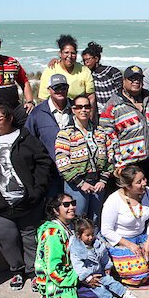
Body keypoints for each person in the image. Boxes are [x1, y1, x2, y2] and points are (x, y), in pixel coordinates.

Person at [0, 103, 52, 290]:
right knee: (6, 239)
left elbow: (43, 163)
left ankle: (33, 272)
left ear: (9, 118)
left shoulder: (25, 138)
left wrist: (37, 191)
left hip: (28, 202)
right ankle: (17, 270)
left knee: (30, 239)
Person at [100, 166, 149, 288]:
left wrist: (148, 243)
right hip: (122, 242)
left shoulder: (148, 192)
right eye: (139, 182)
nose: (144, 183)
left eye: (144, 179)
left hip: (142, 237)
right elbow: (106, 230)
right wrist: (130, 245)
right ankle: (128, 271)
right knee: (139, 274)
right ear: (128, 186)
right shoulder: (113, 200)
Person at [33, 194, 103, 298]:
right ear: (56, 210)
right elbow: (54, 271)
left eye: (73, 203)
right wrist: (84, 277)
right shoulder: (53, 234)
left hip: (74, 272)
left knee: (104, 285)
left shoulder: (72, 225)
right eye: (66, 205)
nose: (72, 207)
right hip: (57, 281)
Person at [101, 66, 149, 187]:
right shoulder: (113, 104)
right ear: (123, 81)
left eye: (139, 79)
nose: (136, 81)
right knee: (129, 202)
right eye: (132, 78)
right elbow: (107, 136)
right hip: (128, 164)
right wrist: (118, 163)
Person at [55, 94, 111, 225]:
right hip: (76, 185)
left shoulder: (100, 132)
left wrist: (103, 180)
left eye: (86, 106)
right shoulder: (65, 133)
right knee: (77, 220)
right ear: (73, 109)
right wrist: (80, 183)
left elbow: (110, 157)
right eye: (79, 107)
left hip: (97, 184)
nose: (83, 110)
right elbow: (62, 162)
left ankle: (95, 245)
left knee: (95, 220)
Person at [69, 217, 139, 298]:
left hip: (99, 272)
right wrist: (87, 278)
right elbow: (78, 266)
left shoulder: (96, 243)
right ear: (79, 235)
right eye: (87, 235)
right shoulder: (77, 249)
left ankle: (123, 293)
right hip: (89, 277)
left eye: (92, 234)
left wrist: (107, 266)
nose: (91, 237)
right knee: (99, 288)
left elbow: (104, 255)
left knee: (110, 281)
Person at [25, 74, 73, 196]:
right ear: (49, 90)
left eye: (63, 87)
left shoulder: (77, 109)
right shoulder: (37, 113)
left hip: (75, 172)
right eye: (56, 87)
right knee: (53, 209)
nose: (60, 91)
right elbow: (28, 141)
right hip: (50, 173)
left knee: (73, 210)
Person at [37, 35, 95, 109]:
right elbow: (43, 98)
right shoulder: (51, 70)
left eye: (73, 53)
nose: (70, 56)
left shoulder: (84, 71)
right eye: (66, 52)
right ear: (60, 54)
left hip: (79, 112)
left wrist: (90, 117)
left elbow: (91, 96)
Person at [81, 42, 123, 114]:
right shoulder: (88, 75)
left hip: (115, 109)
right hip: (98, 112)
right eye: (84, 60)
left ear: (96, 59)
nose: (86, 62)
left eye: (88, 59)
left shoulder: (112, 71)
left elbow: (121, 91)